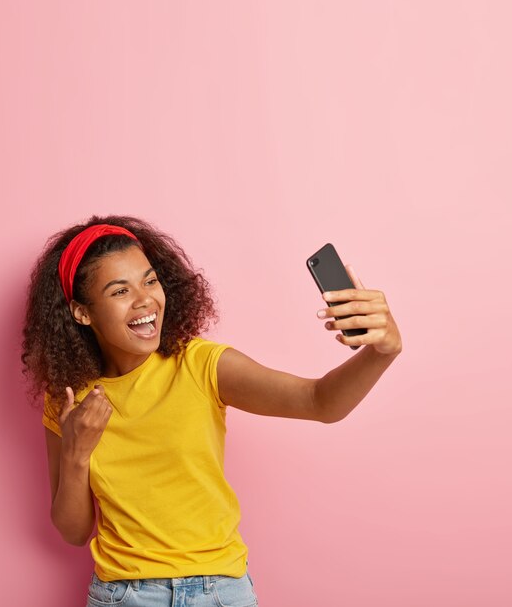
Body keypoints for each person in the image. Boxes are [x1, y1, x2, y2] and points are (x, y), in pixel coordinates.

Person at [21, 214, 402, 607]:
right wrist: (77, 452)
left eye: (150, 281)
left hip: (218, 592)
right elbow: (73, 531)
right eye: (120, 291)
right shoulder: (69, 399)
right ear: (82, 312)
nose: (145, 300)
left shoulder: (202, 364)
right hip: (123, 595)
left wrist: (382, 351)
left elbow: (319, 401)